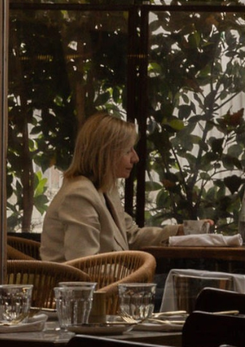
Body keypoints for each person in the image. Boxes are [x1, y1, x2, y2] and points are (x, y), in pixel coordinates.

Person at [41, 112, 176, 263]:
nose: (135, 158)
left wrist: (180, 232)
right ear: (106, 154)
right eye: (127, 151)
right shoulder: (79, 195)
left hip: (110, 283)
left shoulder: (105, 188)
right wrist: (136, 275)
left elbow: (130, 235)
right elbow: (84, 265)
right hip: (90, 285)